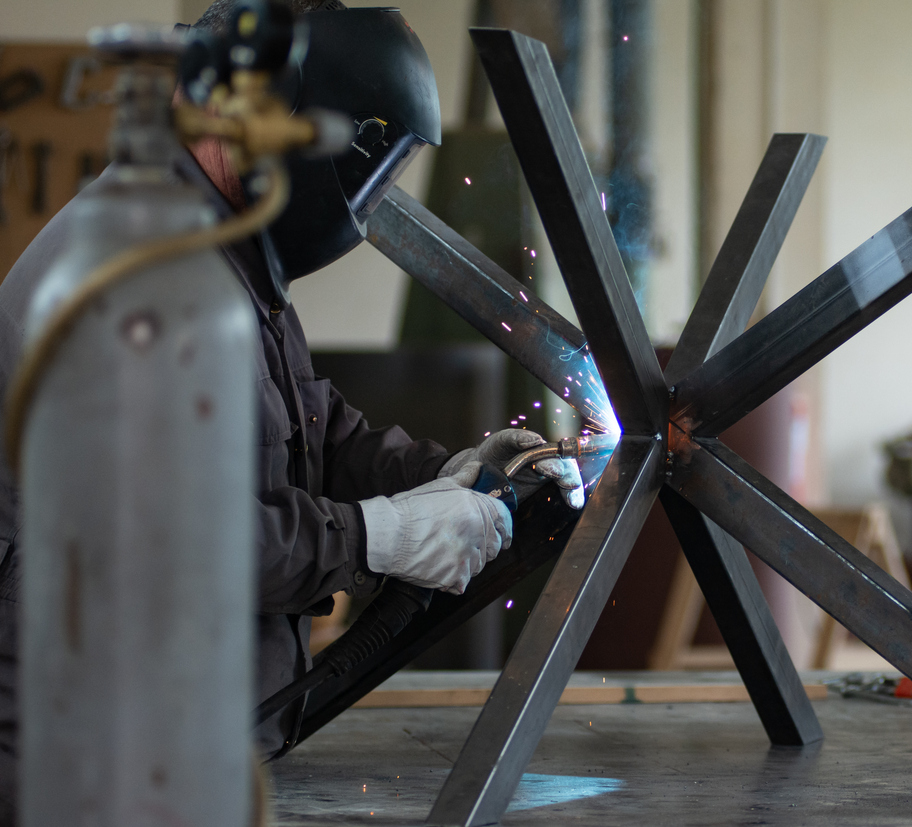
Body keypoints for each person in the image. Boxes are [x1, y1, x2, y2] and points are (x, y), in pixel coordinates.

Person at [0, 0, 583, 818]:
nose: (366, 205)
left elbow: (314, 425)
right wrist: (383, 537)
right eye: (368, 169)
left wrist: (446, 473)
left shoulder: (225, 251)